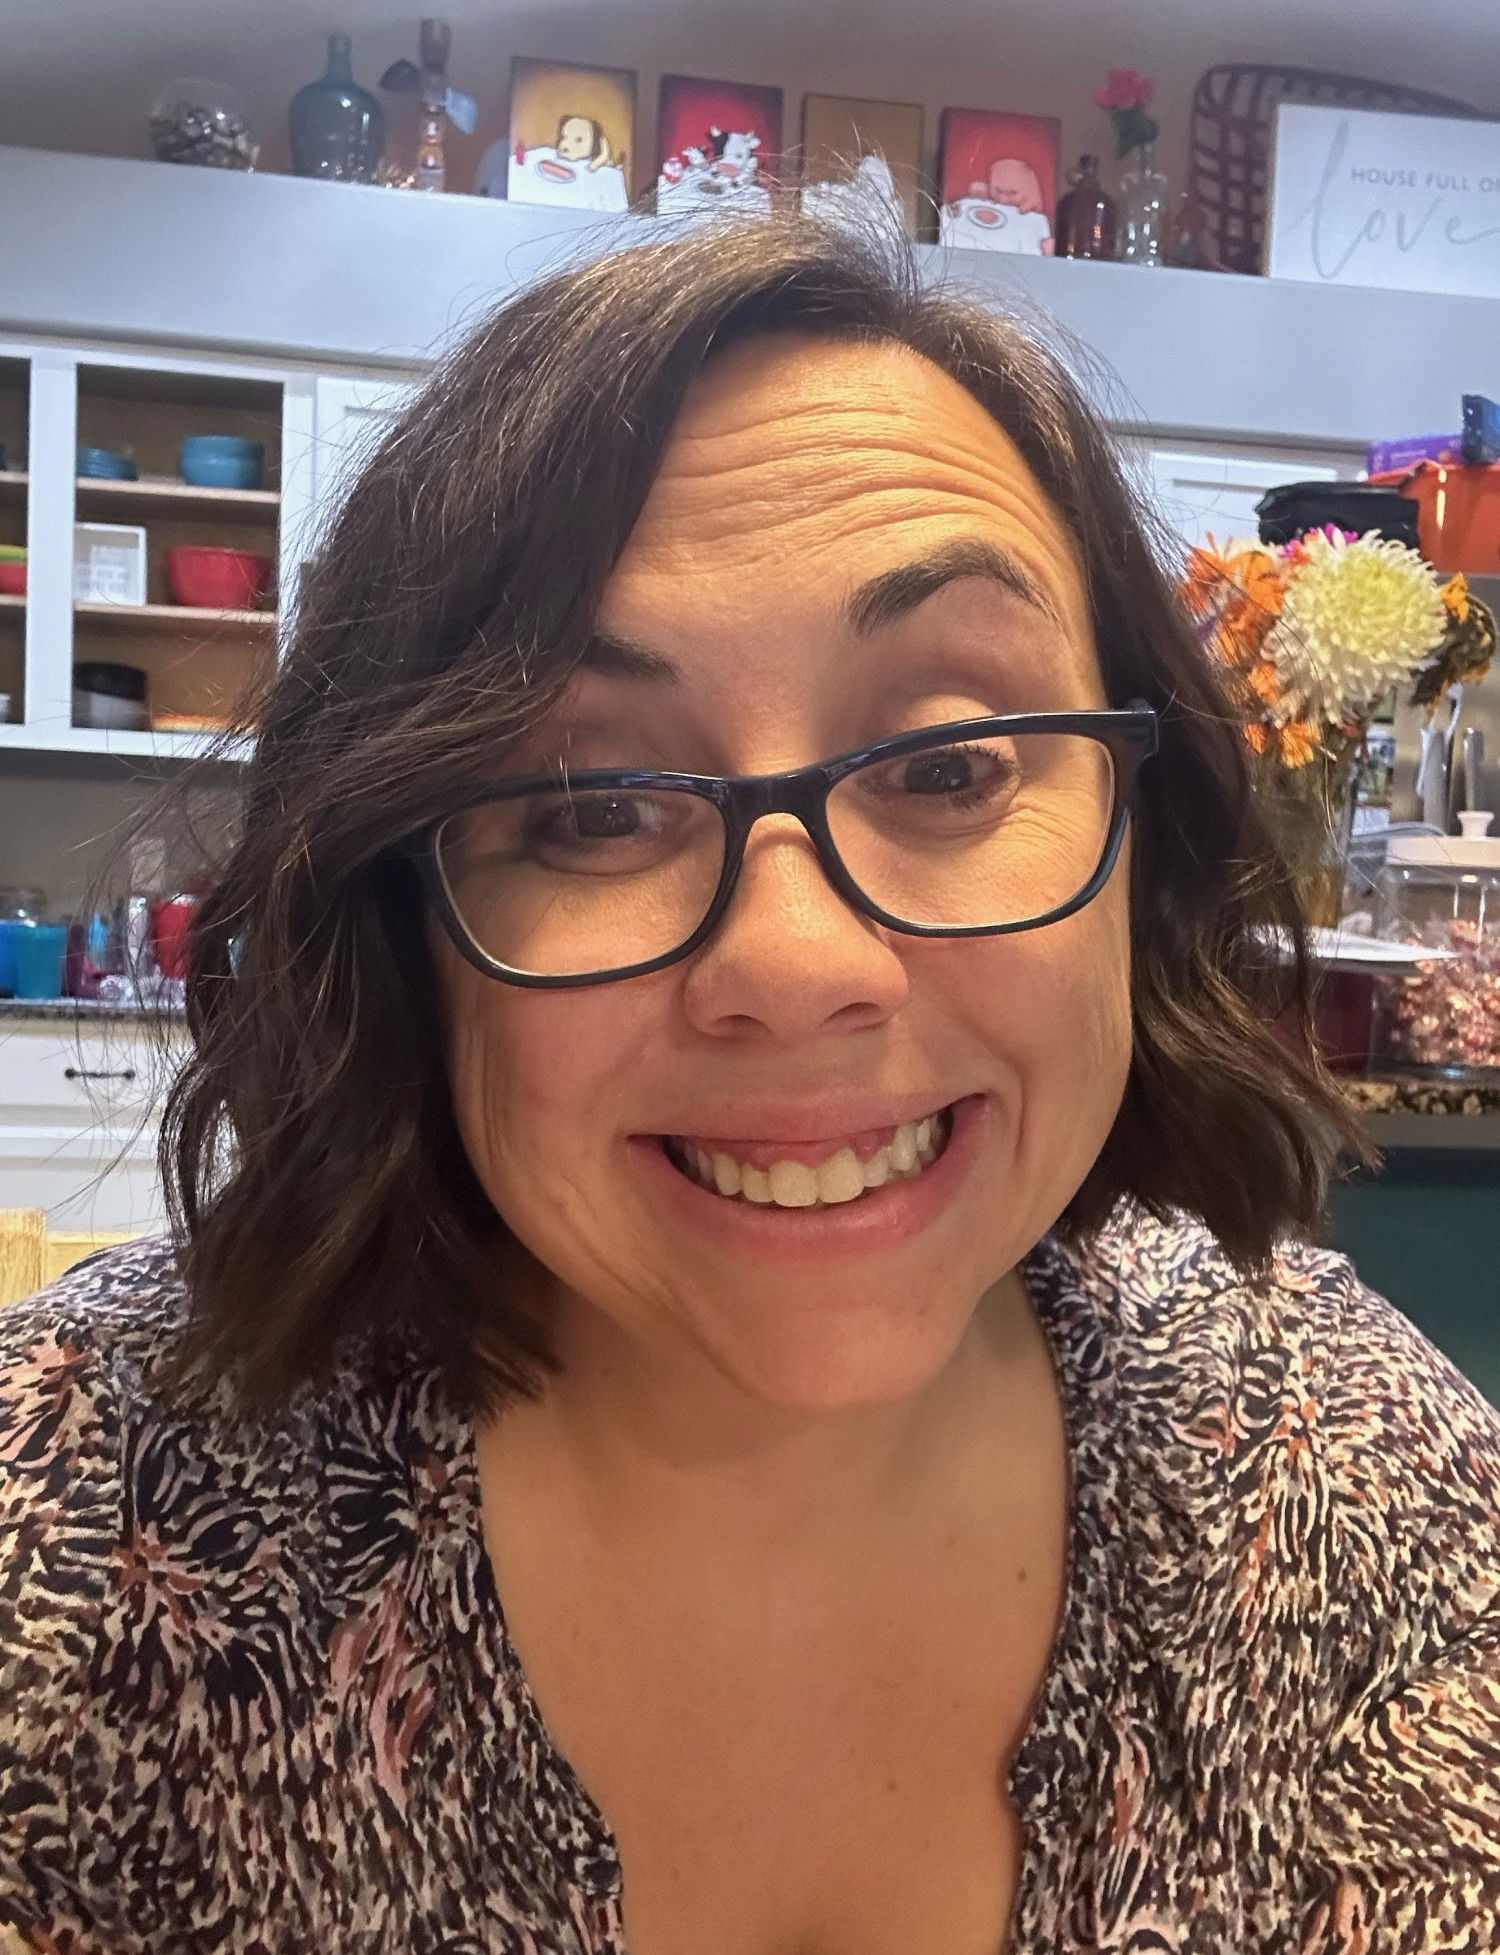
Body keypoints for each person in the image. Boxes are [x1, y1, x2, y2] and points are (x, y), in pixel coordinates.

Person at [2, 215, 1498, 1955]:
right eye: (590, 807)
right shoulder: (75, 1537)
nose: (797, 967)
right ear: (399, 915)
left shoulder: (1352, 1468)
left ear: (1138, 848)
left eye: (947, 764)